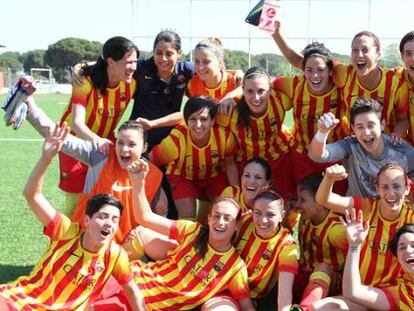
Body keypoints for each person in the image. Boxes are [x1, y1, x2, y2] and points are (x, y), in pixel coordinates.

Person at [0, 124, 145, 311]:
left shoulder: (115, 256)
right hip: (20, 301)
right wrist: (46, 158)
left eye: (114, 219)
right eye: (102, 216)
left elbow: (132, 291)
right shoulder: (66, 231)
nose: (109, 223)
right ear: (86, 220)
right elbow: (32, 194)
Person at [93, 160, 256, 311]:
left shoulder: (235, 268)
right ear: (208, 218)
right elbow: (145, 217)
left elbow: (247, 307)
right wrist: (138, 182)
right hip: (131, 277)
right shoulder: (192, 231)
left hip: (142, 303)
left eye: (227, 219)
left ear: (236, 226)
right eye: (216, 216)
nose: (220, 222)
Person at [24, 97, 164, 244]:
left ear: (144, 147)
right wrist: (32, 111)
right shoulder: (102, 155)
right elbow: (63, 140)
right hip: (84, 243)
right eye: (120, 142)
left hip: (123, 250)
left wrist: (140, 231)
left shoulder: (153, 174)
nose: (124, 149)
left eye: (131, 144)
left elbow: (156, 217)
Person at [272, 25, 408, 137]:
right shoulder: (345, 74)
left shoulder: (395, 82)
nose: (359, 54)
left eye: (365, 50)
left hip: (384, 145)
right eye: (355, 50)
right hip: (354, 146)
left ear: (378, 54)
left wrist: (396, 135)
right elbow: (303, 62)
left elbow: (403, 119)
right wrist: (276, 33)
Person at [60, 36, 139, 214]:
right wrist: (96, 139)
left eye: (135, 62)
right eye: (129, 62)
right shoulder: (85, 81)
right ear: (111, 62)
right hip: (74, 140)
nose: (133, 67)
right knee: (75, 202)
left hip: (104, 143)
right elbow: (77, 123)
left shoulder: (132, 81)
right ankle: (69, 239)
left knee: (104, 196)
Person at [315, 162, 414, 291]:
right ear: (377, 189)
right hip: (358, 289)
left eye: (396, 186)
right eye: (385, 187)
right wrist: (328, 178)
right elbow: (323, 200)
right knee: (323, 270)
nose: (391, 193)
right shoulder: (366, 207)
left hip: (388, 296)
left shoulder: (411, 220)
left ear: (407, 189)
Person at [272, 42, 348, 188]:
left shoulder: (341, 87)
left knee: (334, 202)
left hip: (334, 155)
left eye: (320, 70)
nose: (315, 76)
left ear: (330, 71)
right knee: (306, 201)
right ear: (303, 71)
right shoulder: (294, 85)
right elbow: (262, 83)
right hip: (303, 155)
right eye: (309, 70)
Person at [150, 96, 239, 220]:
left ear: (212, 121)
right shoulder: (175, 141)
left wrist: (236, 192)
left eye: (203, 119)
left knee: (225, 211)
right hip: (182, 176)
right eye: (193, 119)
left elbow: (230, 164)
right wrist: (158, 193)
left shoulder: (224, 137)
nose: (198, 125)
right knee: (188, 219)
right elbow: (150, 162)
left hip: (213, 175)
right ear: (186, 121)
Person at [308, 97, 414, 197]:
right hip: (358, 213)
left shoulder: (401, 151)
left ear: (382, 124)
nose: (366, 132)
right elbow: (317, 155)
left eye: (371, 125)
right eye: (360, 127)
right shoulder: (350, 146)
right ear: (353, 129)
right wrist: (322, 132)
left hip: (390, 213)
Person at [216, 66, 295, 199]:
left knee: (281, 205)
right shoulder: (230, 111)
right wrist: (237, 191)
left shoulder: (281, 101)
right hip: (246, 164)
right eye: (250, 91)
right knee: (248, 206)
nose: (256, 97)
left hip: (278, 159)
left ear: (270, 90)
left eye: (261, 91)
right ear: (243, 91)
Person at [313, 210, 414, 310]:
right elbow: (353, 292)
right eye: (402, 247)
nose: (408, 250)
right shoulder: (404, 292)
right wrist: (354, 245)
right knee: (322, 307)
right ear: (399, 259)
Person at [234, 190, 298, 310]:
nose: (263, 220)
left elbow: (285, 295)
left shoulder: (286, 245)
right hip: (223, 284)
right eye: (258, 213)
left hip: (251, 297)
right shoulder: (243, 221)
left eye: (270, 215)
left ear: (282, 216)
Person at [293, 174, 348, 310]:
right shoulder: (304, 218)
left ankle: (305, 308)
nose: (297, 204)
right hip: (304, 274)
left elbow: (360, 255)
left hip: (329, 283)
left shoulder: (336, 230)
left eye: (303, 200)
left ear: (320, 203)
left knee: (323, 267)